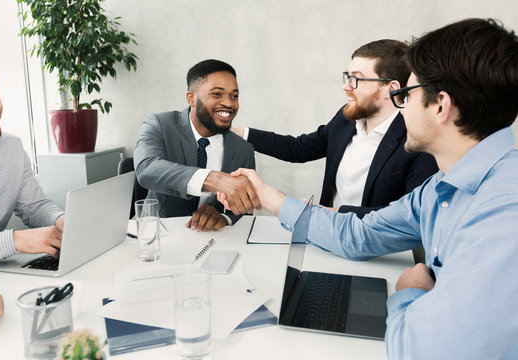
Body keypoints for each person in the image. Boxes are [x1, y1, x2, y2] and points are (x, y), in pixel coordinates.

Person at [220, 19, 518, 359]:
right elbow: (358, 234)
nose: (401, 106)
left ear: (440, 106)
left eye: (407, 95)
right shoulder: (440, 188)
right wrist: (269, 196)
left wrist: (408, 292)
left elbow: (419, 351)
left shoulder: (505, 216)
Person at [231, 39, 438, 218]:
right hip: (327, 238)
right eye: (347, 76)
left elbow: (409, 215)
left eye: (356, 78)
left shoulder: (419, 140)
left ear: (390, 89)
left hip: (379, 254)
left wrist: (328, 213)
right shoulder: (346, 119)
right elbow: (297, 148)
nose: (346, 86)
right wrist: (238, 132)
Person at [0, 55, 65, 321]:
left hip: (2, 278)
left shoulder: (11, 148)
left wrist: (62, 220)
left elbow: (34, 205)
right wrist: (16, 240)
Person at [134, 59, 260, 232]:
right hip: (158, 233)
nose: (229, 104)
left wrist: (224, 217)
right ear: (191, 98)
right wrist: (215, 179)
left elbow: (245, 209)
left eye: (234, 96)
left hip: (212, 239)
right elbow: (146, 168)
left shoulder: (244, 150)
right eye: (217, 94)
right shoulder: (160, 125)